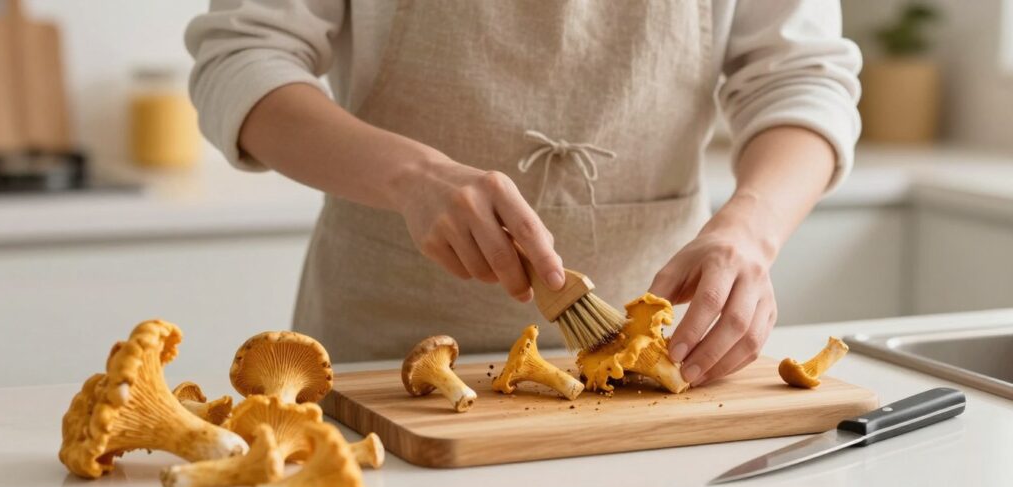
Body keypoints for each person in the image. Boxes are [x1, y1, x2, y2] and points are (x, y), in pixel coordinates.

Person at [186, 0, 861, 386]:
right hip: (382, 361)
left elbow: (801, 77)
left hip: (659, 371)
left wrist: (752, 225)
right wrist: (411, 176)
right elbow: (242, 59)